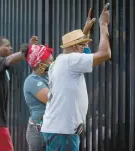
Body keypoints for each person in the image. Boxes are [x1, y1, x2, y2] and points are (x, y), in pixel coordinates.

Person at [41, 3, 111, 151]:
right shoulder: (70, 60)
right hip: (63, 131)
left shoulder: (59, 61)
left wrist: (84, 31)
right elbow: (105, 54)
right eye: (82, 45)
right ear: (74, 48)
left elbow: (82, 53)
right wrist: (103, 24)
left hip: (57, 129)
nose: (85, 47)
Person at [22, 36, 54, 151]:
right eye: (50, 61)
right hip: (38, 131)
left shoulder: (48, 77)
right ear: (40, 65)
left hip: (51, 128)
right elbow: (51, 99)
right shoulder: (32, 81)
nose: (53, 63)